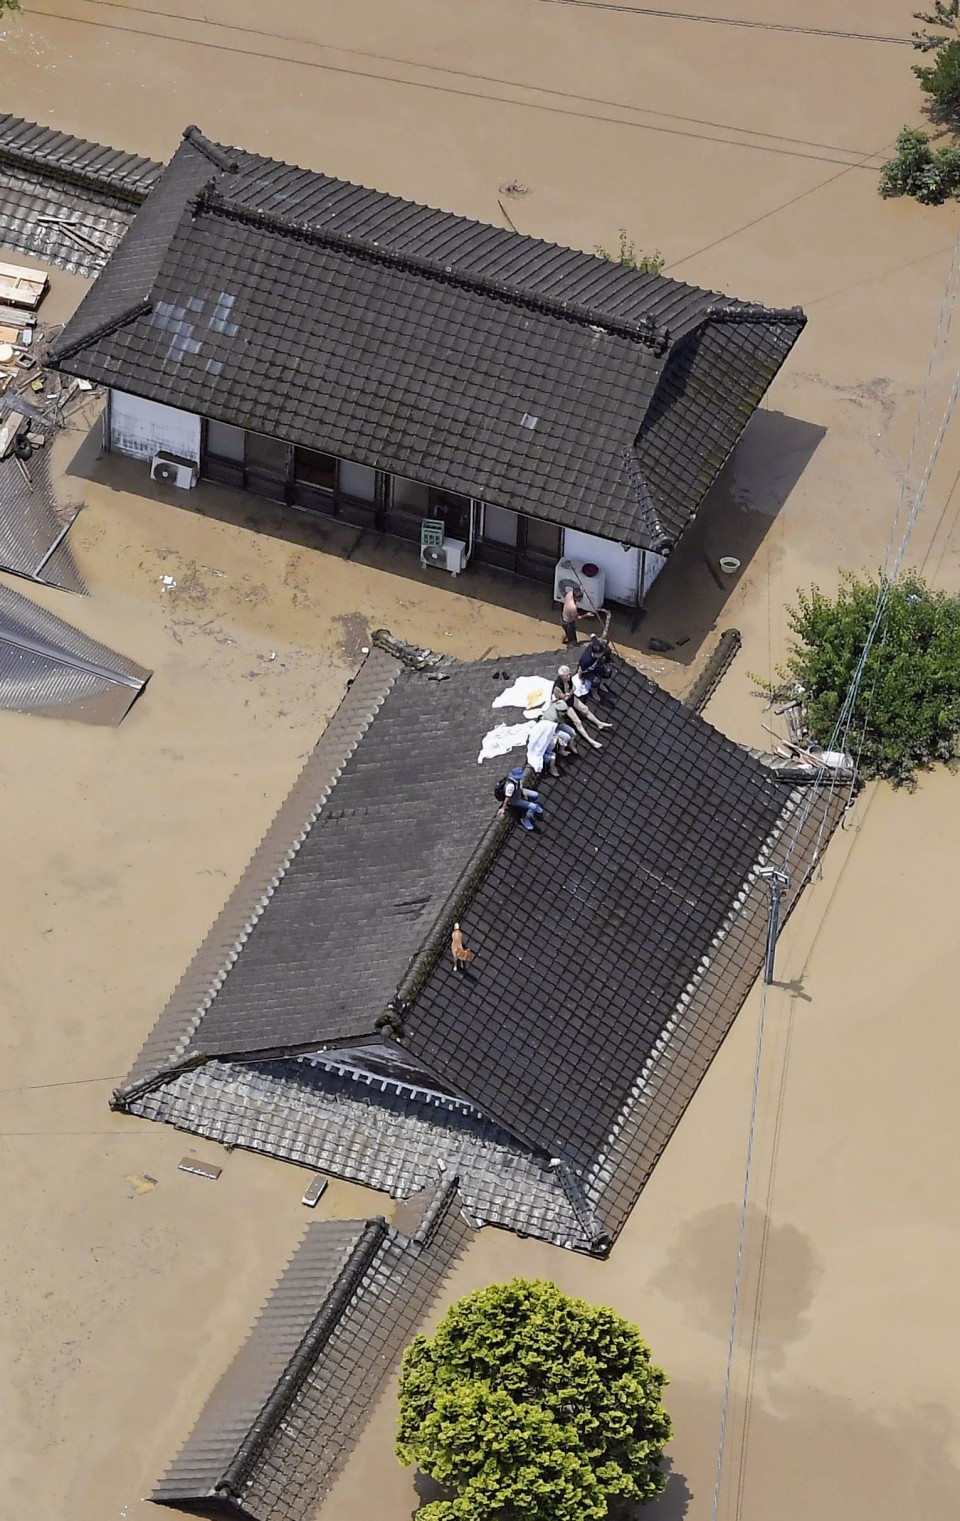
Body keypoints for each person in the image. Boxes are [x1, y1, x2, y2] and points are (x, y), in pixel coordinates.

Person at [553, 665, 612, 731]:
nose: (569, 676)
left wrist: (569, 693)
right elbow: (565, 698)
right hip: (564, 704)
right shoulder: (557, 687)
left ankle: (599, 723)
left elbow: (573, 688)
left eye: (569, 674)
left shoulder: (568, 679)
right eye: (567, 675)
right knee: (577, 721)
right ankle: (589, 739)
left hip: (570, 697)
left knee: (585, 709)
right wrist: (570, 693)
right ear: (562, 676)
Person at [495, 766, 543, 831]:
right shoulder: (510, 786)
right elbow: (508, 798)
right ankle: (525, 818)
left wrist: (523, 794)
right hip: (514, 799)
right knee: (533, 806)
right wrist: (503, 808)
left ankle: (531, 808)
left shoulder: (517, 781)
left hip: (518, 793)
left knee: (535, 795)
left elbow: (520, 788)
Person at [578, 636, 615, 705]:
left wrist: (594, 637)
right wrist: (580, 678)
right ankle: (594, 692)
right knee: (596, 681)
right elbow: (580, 669)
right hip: (588, 671)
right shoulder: (586, 660)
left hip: (596, 665)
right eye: (599, 654)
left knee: (608, 671)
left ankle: (601, 684)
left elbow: (593, 637)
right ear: (594, 653)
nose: (601, 655)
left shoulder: (596, 645)